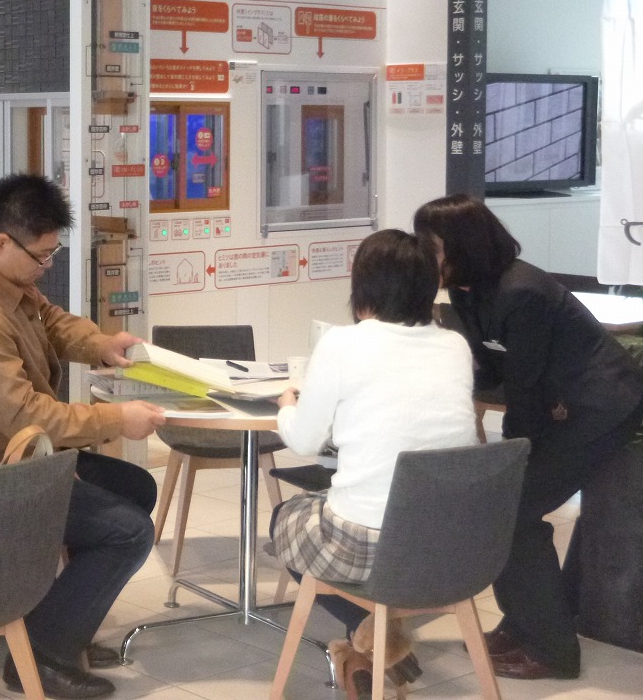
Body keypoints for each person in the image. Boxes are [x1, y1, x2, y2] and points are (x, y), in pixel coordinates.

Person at [0, 174, 165, 700]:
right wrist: (115, 420)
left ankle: (62, 620)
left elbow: (51, 321)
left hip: (24, 458)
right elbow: (27, 416)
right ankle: (41, 653)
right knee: (129, 532)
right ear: (0, 242)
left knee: (136, 489)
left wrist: (100, 343)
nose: (48, 265)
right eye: (42, 256)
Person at [413, 193, 643, 680]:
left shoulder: (522, 292)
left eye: (429, 244)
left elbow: (525, 389)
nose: (422, 253)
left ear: (459, 245)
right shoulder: (466, 291)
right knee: (505, 509)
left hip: (600, 404)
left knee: (513, 511)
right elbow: (491, 368)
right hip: (557, 405)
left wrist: (512, 459)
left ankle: (553, 649)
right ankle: (522, 625)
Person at [269, 229, 478, 697]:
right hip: (456, 544)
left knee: (284, 519)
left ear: (362, 285)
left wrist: (286, 405)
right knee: (340, 506)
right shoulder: (455, 346)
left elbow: (303, 440)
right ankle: (375, 643)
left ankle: (373, 634)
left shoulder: (343, 344)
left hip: (374, 547)